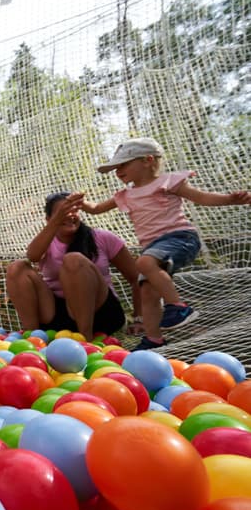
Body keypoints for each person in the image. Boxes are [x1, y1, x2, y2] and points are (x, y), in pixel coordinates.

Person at [81, 137, 251, 350]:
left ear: (148, 160)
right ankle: (154, 339)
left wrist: (230, 199)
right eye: (116, 167)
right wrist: (81, 203)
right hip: (153, 248)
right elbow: (96, 209)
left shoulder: (168, 182)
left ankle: (178, 307)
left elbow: (201, 198)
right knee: (147, 292)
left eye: (123, 165)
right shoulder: (125, 195)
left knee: (143, 263)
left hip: (180, 238)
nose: (118, 171)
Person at [5, 192, 141, 342]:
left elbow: (136, 278)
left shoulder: (102, 237)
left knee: (73, 260)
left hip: (101, 315)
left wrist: (139, 319)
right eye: (61, 212)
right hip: (59, 318)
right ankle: (31, 338)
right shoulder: (46, 241)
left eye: (74, 210)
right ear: (49, 220)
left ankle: (85, 340)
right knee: (16, 267)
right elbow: (32, 256)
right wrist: (56, 221)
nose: (70, 215)